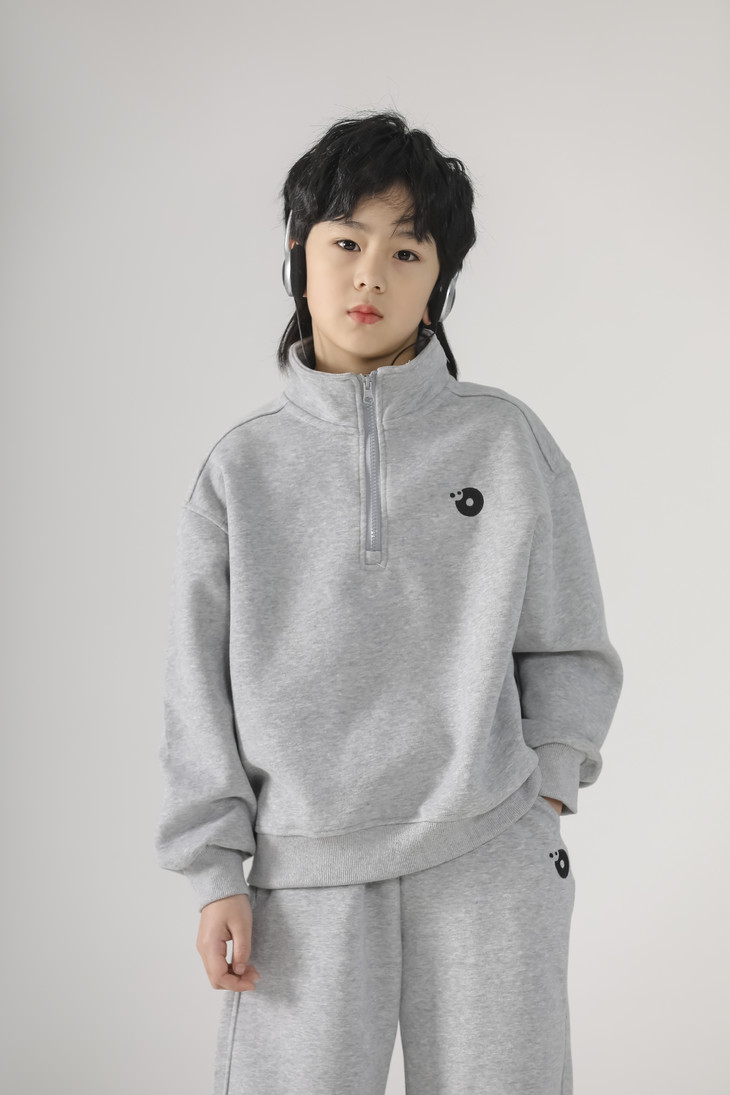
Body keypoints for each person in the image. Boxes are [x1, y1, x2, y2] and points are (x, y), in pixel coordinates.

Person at [154, 109, 624, 1095]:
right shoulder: (241, 471)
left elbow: (568, 640)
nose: (370, 275)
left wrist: (544, 789)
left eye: (405, 252)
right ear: (299, 252)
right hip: (302, 873)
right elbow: (198, 692)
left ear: (438, 279)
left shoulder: (505, 442)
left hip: (488, 849)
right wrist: (214, 873)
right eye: (345, 243)